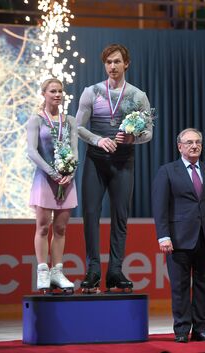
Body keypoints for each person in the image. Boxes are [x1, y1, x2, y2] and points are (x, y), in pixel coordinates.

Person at [76, 44, 153, 292]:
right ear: (104, 65)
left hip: (123, 160)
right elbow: (77, 127)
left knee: (120, 215)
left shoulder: (138, 96)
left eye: (117, 62)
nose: (112, 66)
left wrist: (134, 138)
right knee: (90, 214)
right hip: (95, 160)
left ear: (126, 64)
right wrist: (98, 140)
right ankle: (93, 269)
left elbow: (149, 133)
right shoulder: (91, 92)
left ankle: (116, 271)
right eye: (108, 62)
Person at [152, 128, 205, 343]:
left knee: (204, 287)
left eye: (197, 142)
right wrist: (163, 236)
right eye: (189, 142)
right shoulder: (167, 171)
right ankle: (181, 330)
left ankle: (201, 329)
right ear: (180, 146)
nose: (194, 146)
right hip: (178, 239)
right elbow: (160, 208)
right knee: (179, 287)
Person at [27, 78, 78, 293]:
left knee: (60, 228)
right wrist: (52, 173)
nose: (57, 95)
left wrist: (71, 171)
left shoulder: (70, 121)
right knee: (43, 226)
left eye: (60, 91)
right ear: (44, 94)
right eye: (53, 91)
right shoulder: (36, 120)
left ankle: (57, 272)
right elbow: (31, 151)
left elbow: (75, 151)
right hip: (45, 179)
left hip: (66, 180)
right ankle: (42, 271)